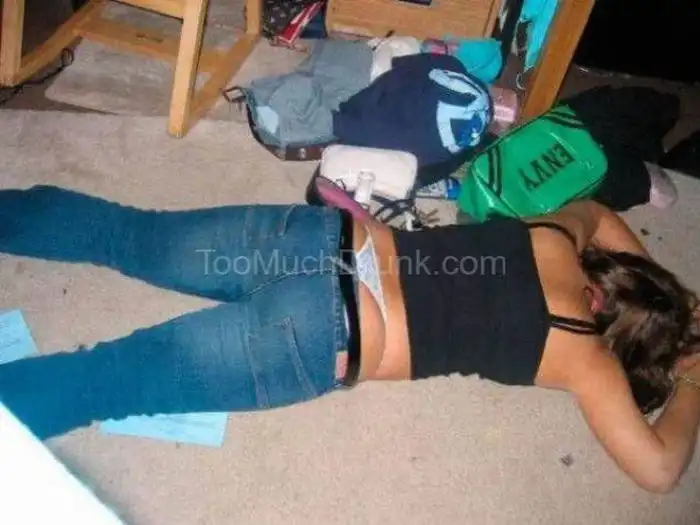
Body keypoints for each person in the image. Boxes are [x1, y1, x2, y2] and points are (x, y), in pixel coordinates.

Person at [1, 183, 699, 494]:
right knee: (109, 380)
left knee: (128, 233)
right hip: (319, 331)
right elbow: (660, 470)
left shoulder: (558, 236)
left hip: (311, 237)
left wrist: (674, 293)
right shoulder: (585, 356)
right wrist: (692, 372)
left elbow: (601, 212)